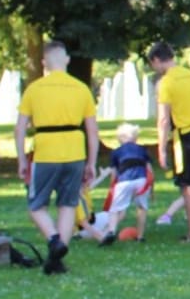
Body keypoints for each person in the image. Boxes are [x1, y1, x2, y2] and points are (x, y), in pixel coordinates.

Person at [13, 41, 99, 275]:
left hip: (46, 150)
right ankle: (56, 259)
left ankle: (54, 240)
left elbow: (20, 128)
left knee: (36, 205)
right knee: (68, 204)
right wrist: (91, 162)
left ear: (44, 63)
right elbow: (92, 131)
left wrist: (21, 159)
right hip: (75, 150)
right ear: (67, 60)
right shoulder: (81, 89)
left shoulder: (34, 89)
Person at [150, 42, 190, 241]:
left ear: (156, 60)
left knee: (189, 186)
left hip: (185, 137)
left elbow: (163, 119)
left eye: (153, 64)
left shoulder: (167, 82)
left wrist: (161, 149)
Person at [85, 123, 155, 245]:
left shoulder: (116, 152)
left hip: (124, 181)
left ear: (120, 138)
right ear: (135, 138)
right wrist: (152, 189)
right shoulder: (143, 150)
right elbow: (150, 170)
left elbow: (114, 174)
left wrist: (112, 188)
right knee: (142, 208)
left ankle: (111, 231)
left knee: (115, 210)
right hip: (141, 180)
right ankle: (140, 236)